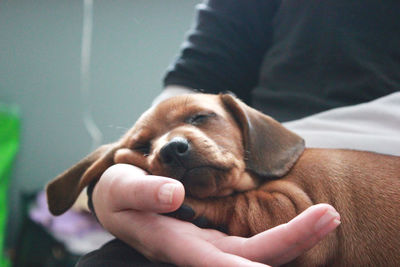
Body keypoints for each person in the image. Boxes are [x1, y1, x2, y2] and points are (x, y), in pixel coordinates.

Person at [77, 0, 400, 266]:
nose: (172, 145)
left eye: (200, 119)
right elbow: (186, 89)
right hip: (274, 156)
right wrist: (109, 189)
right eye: (148, 146)